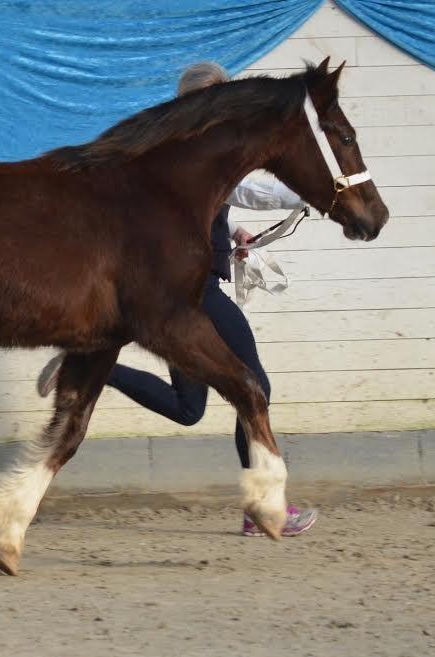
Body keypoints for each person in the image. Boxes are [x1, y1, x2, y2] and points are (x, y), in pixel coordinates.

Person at [37, 62, 317, 537]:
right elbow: (252, 188)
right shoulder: (201, 153)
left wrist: (231, 233)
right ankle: (262, 508)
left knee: (189, 410)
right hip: (198, 293)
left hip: (185, 294)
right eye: (221, 98)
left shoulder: (175, 155)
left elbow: (213, 207)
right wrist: (319, 189)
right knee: (256, 389)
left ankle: (95, 370)